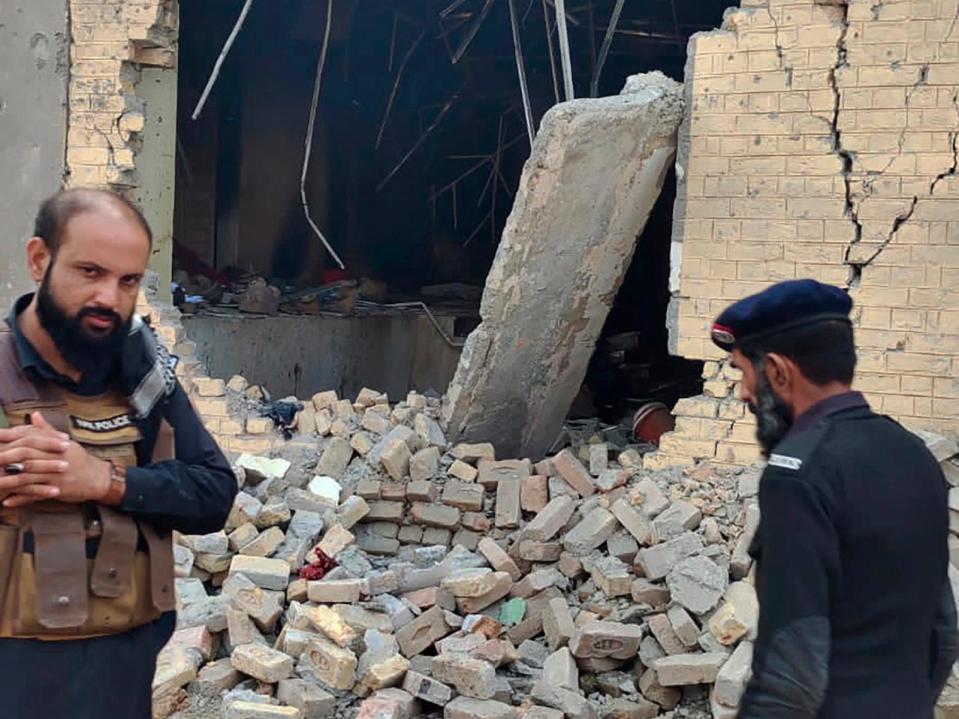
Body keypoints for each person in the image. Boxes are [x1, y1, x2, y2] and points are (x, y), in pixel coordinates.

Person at [0, 188, 237, 718]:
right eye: (90, 272)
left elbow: (214, 493)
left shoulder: (145, 379)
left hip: (119, 686)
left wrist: (106, 481)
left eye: (128, 280)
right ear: (39, 260)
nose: (111, 297)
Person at [709, 278, 958, 719]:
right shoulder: (912, 453)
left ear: (778, 372)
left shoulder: (799, 473)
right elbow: (945, 631)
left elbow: (791, 676)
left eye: (743, 372)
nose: (744, 393)